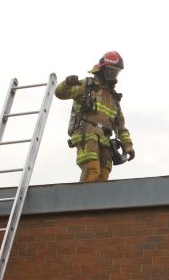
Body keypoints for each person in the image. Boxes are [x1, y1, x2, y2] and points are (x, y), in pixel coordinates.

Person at [55, 51, 135, 183]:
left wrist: (128, 146)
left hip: (105, 142)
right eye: (110, 71)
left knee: (103, 175)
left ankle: (93, 197)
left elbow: (121, 127)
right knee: (92, 170)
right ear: (102, 69)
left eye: (115, 72)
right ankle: (82, 197)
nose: (113, 75)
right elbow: (60, 93)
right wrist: (67, 83)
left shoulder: (113, 98)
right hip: (87, 135)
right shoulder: (87, 86)